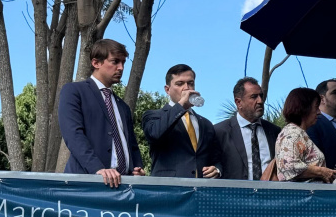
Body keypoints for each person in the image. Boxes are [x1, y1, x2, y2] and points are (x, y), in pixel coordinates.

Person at [58, 39, 145, 187]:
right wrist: (97, 169)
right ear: (96, 63)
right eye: (115, 61)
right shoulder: (74, 91)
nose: (121, 68)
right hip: (87, 183)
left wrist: (137, 168)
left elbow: (132, 144)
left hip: (124, 185)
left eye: (123, 62)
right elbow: (73, 135)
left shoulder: (123, 106)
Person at [142, 64, 223, 178]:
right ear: (167, 89)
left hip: (201, 187)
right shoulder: (154, 115)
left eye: (190, 83)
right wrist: (181, 106)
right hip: (168, 186)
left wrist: (217, 170)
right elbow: (155, 134)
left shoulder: (206, 124)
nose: (186, 88)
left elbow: (216, 158)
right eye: (180, 84)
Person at [215, 77, 281, 181]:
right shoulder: (220, 131)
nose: (260, 101)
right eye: (254, 97)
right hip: (235, 190)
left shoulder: (274, 131)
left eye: (261, 96)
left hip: (269, 190)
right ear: (238, 102)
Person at [274, 88, 336, 183]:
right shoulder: (293, 133)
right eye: (316, 107)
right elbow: (288, 166)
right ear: (304, 108)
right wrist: (321, 172)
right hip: (300, 192)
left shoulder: (297, 132)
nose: (319, 112)